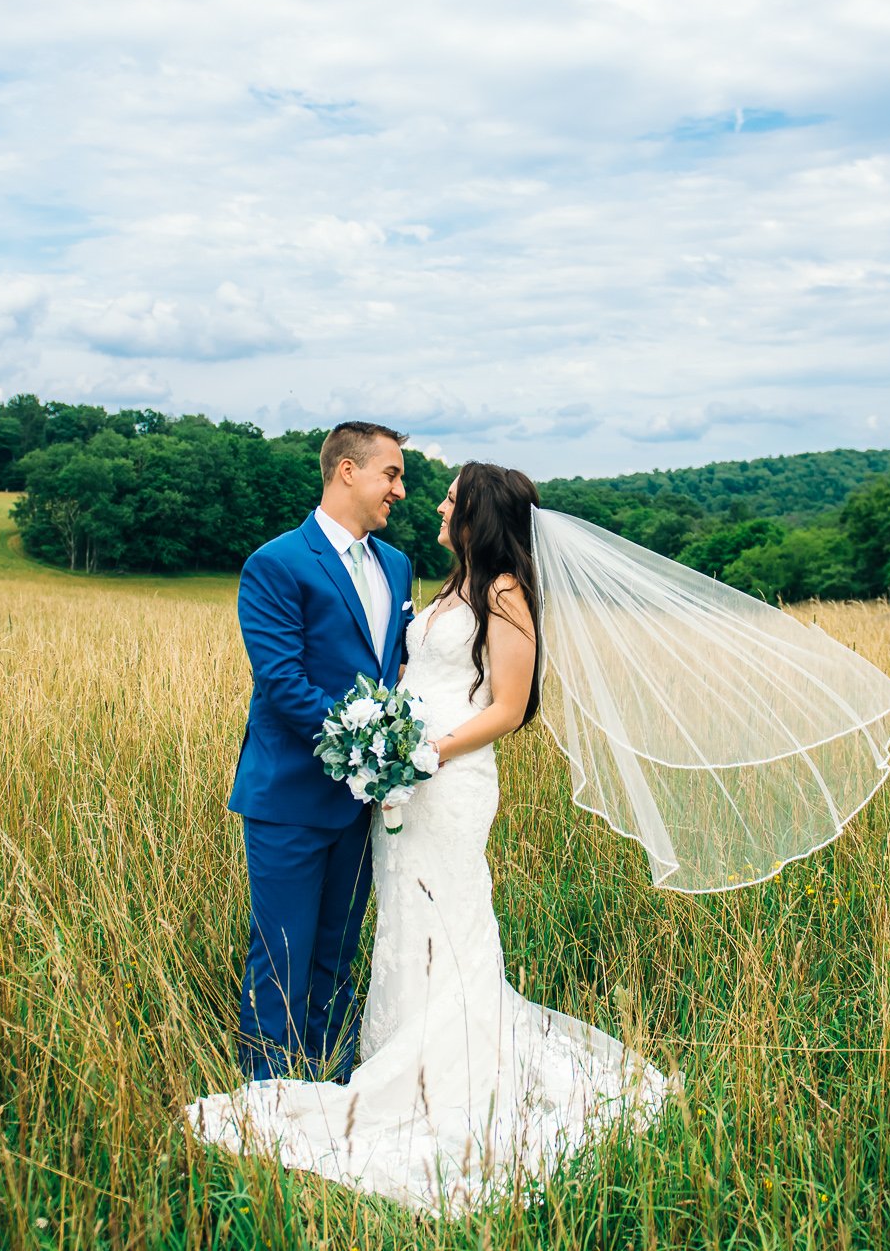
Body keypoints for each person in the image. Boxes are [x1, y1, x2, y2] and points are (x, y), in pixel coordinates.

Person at [188, 461, 676, 1215]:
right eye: (411, 480)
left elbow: (510, 705)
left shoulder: (506, 592)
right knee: (402, 921)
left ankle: (448, 1073)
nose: (433, 503)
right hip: (404, 780)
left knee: (449, 915)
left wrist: (428, 750)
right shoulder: (450, 584)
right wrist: (388, 744)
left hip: (446, 779)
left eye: (450, 495)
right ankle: (390, 1052)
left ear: (480, 512)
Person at [225, 421, 416, 1083]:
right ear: (346, 472)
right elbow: (282, 684)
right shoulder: (276, 562)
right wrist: (370, 746)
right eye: (390, 473)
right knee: (282, 954)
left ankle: (329, 1090)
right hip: (290, 796)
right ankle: (269, 1103)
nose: (399, 488)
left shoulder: (396, 565)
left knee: (337, 953)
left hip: (362, 803)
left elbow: (397, 670)